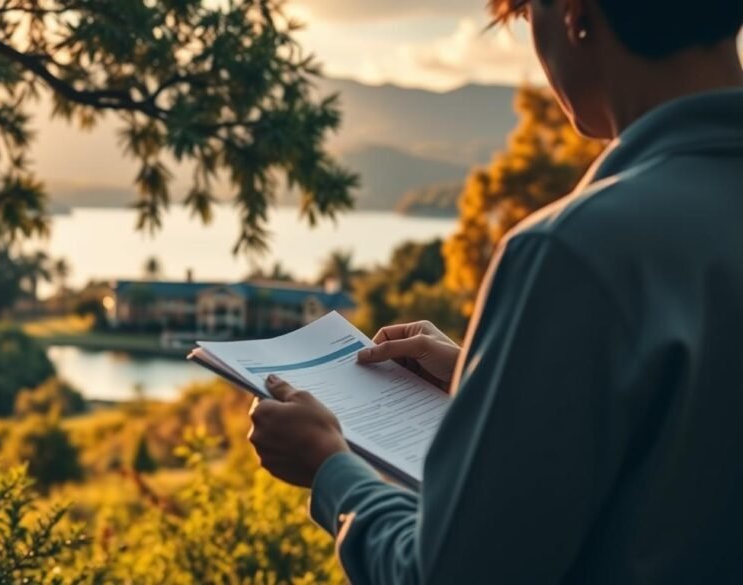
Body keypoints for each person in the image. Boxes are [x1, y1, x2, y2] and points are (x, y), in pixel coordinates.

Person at [246, 0, 743, 583]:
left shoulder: (577, 252)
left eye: (527, 16)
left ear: (576, 16)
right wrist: (486, 375)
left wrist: (331, 467)